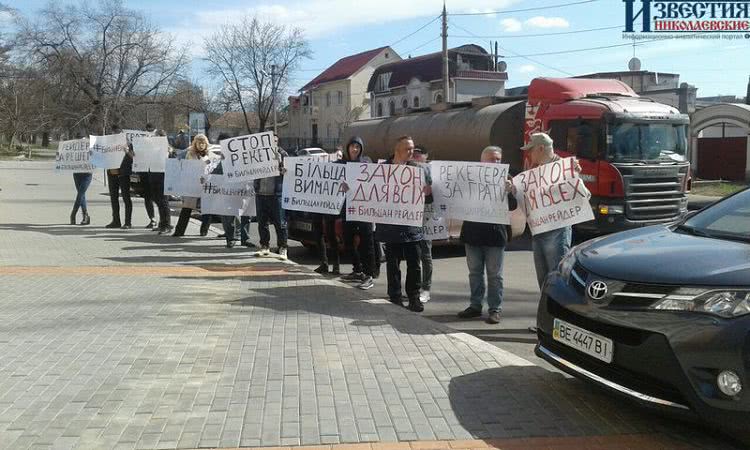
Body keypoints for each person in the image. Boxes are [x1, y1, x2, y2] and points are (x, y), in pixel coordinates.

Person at [519, 132, 580, 333]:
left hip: (557, 231)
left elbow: (582, 195)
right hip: (539, 230)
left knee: (557, 278)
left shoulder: (564, 168)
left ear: (540, 149)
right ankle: (545, 322)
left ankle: (560, 324)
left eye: (530, 150)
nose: (528, 155)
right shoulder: (535, 170)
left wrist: (575, 176)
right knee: (544, 278)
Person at [457, 146, 517, 325]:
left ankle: (495, 309)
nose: (496, 162)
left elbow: (513, 206)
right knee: (474, 273)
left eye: (498, 159)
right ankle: (475, 306)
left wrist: (509, 192)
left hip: (495, 234)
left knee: (495, 275)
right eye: (492, 159)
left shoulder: (507, 179)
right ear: (482, 161)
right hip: (472, 233)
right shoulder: (471, 178)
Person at [375, 136, 432, 312]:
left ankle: (414, 298)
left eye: (413, 149)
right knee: (393, 264)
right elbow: (371, 192)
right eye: (408, 149)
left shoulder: (418, 170)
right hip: (391, 226)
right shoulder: (382, 169)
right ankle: (395, 296)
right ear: (397, 150)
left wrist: (428, 192)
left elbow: (428, 198)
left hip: (411, 226)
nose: (411, 152)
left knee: (414, 264)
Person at [338, 137, 376, 290]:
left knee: (366, 243)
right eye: (352, 146)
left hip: (364, 210)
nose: (354, 149)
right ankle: (357, 270)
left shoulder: (366, 162)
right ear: (347, 148)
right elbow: (322, 173)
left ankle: (369, 274)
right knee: (347, 241)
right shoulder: (341, 164)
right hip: (347, 209)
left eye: (357, 147)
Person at [253, 135, 288, 259]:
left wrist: (282, 166)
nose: (273, 143)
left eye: (275, 141)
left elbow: (289, 171)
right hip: (261, 194)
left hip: (276, 195)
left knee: (280, 222)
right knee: (262, 222)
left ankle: (283, 247)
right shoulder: (258, 155)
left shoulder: (282, 154)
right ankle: (264, 246)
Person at [172, 134, 212, 237]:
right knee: (187, 208)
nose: (201, 144)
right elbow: (177, 161)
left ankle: (204, 230)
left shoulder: (209, 154)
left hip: (205, 184)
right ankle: (179, 231)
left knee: (207, 208)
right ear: (195, 143)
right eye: (199, 142)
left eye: (203, 142)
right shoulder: (188, 153)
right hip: (191, 184)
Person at [412, 146, 432, 303]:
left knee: (425, 255)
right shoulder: (406, 170)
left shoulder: (432, 173)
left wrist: (429, 192)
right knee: (413, 256)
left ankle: (426, 288)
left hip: (426, 219)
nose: (416, 157)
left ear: (426, 157)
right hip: (410, 218)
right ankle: (414, 287)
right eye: (414, 155)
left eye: (419, 155)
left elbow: (437, 198)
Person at [150, 130, 173, 234]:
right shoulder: (153, 148)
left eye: (157, 137)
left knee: (163, 201)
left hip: (163, 177)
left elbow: (173, 161)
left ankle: (167, 224)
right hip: (153, 175)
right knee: (157, 200)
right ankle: (162, 223)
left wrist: (170, 152)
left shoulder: (168, 148)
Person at [137, 123, 157, 229]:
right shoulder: (140, 141)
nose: (149, 133)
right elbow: (134, 154)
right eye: (148, 131)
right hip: (145, 172)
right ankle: (152, 219)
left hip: (157, 172)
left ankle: (164, 220)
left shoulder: (160, 141)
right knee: (148, 197)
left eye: (151, 131)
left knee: (159, 198)